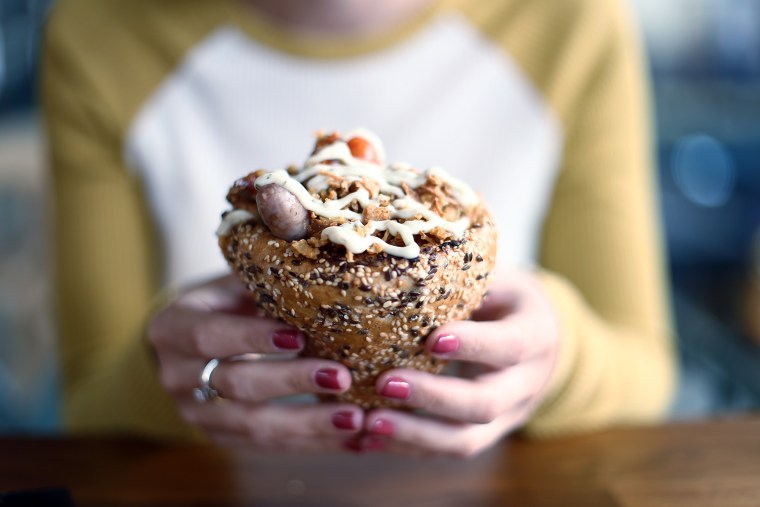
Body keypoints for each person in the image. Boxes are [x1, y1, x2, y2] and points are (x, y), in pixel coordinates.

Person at [44, 0, 675, 456]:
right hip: (212, 483)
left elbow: (646, 375)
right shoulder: (98, 33)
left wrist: (558, 358)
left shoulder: (571, 22)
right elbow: (87, 403)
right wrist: (165, 373)